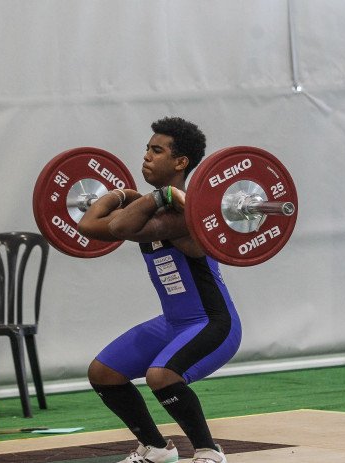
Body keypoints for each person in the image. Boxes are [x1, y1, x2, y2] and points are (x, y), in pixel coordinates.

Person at [78, 117, 241, 463]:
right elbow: (86, 225)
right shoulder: (152, 206)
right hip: (174, 322)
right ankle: (155, 448)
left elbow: (118, 224)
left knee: (161, 375)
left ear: (180, 162)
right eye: (147, 149)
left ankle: (209, 452)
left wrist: (151, 198)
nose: (146, 157)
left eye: (156, 150)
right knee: (103, 373)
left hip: (213, 323)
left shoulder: (186, 213)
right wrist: (126, 194)